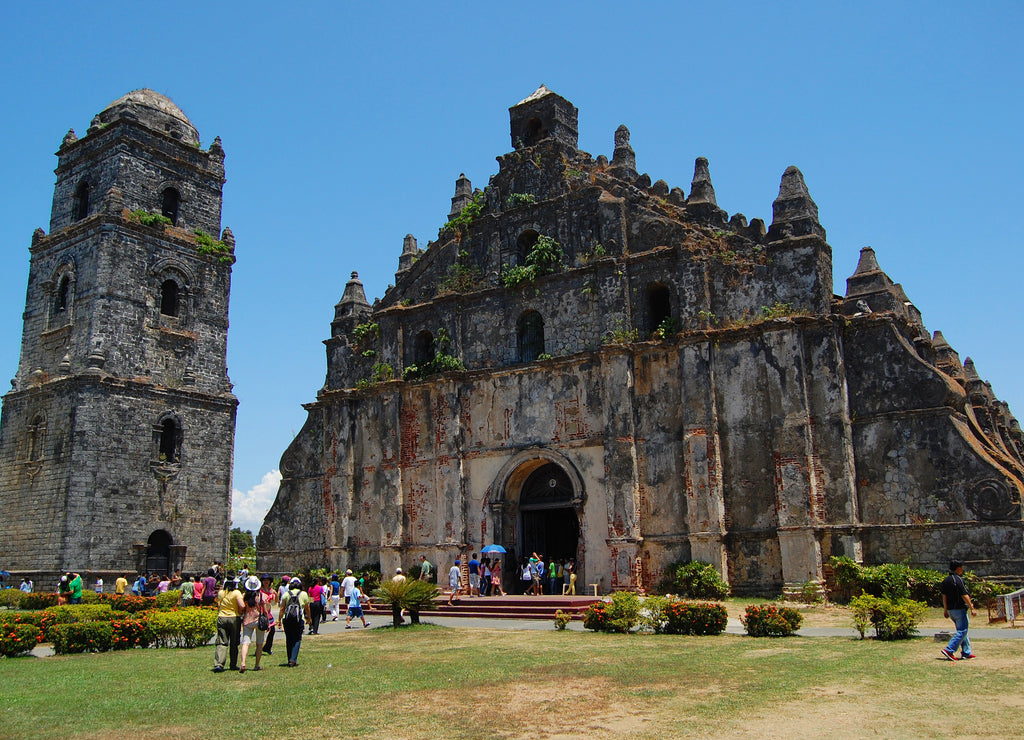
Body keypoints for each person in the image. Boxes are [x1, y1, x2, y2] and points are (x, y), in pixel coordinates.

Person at [940, 559, 977, 661]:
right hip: (959, 609)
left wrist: (945, 609)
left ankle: (966, 652)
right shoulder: (958, 580)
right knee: (963, 630)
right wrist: (972, 608)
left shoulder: (945, 581)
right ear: (958, 568)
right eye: (961, 568)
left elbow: (944, 597)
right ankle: (949, 649)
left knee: (962, 631)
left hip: (951, 610)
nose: (962, 570)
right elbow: (964, 595)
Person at [212, 574, 244, 673]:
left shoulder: (221, 592)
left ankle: (219, 664)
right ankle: (233, 664)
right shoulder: (236, 593)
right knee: (234, 642)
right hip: (234, 618)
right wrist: (239, 611)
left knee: (222, 641)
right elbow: (242, 605)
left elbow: (218, 603)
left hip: (222, 617)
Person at [239, 576, 269, 672]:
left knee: (245, 643)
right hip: (258, 621)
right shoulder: (261, 596)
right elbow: (265, 611)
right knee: (259, 644)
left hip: (247, 621)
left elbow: (243, 608)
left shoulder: (245, 596)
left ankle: (243, 663)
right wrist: (268, 622)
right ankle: (257, 665)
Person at [278, 578, 311, 667]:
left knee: (289, 639)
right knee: (297, 639)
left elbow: (282, 608)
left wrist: (279, 620)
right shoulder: (303, 594)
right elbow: (307, 608)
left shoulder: (286, 594)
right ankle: (293, 659)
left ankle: (290, 659)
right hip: (299, 619)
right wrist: (309, 618)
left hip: (287, 619)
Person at [259, 574, 279, 656]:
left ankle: (267, 647)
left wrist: (276, 594)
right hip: (261, 612)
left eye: (267, 580)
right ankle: (259, 647)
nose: (266, 582)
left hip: (269, 613)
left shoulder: (271, 591)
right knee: (261, 631)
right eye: (264, 580)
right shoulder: (260, 591)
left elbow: (275, 602)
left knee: (272, 630)